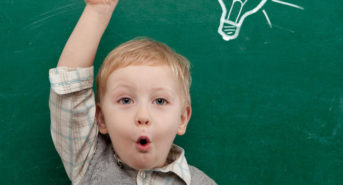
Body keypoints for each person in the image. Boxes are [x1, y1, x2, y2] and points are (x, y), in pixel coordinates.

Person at [49, 0, 217, 184]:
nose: (143, 116)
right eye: (126, 100)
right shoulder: (90, 162)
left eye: (160, 101)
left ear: (182, 119)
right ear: (102, 118)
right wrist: (97, 12)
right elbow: (70, 91)